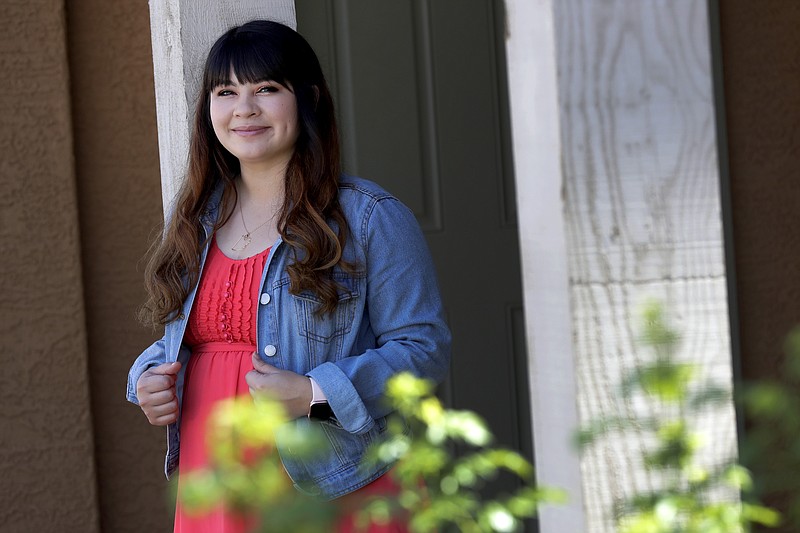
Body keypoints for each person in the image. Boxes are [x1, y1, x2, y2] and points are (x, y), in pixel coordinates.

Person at [126, 19, 451, 533]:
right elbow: (201, 338)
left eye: (267, 89)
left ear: (309, 99)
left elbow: (424, 350)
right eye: (226, 91)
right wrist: (145, 379)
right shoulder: (194, 217)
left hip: (332, 478)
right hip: (213, 474)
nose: (244, 109)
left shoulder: (368, 217)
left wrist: (316, 397)